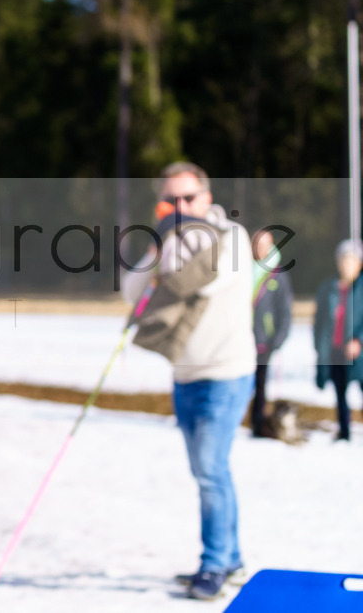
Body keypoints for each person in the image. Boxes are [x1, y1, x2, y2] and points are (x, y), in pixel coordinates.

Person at [121, 162, 255, 601]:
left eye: (188, 199)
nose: (180, 207)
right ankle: (230, 558)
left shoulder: (230, 239)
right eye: (170, 201)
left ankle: (214, 564)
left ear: (207, 199)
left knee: (210, 470)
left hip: (226, 374)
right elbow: (131, 290)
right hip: (185, 373)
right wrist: (160, 247)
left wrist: (175, 244)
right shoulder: (169, 243)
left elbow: (200, 280)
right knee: (208, 471)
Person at [313, 238, 363, 442]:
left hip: (358, 353)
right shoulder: (328, 288)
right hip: (335, 350)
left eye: (351, 260)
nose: (346, 264)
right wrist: (319, 348)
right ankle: (344, 432)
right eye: (343, 260)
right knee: (340, 393)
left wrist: (358, 340)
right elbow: (319, 322)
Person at [249, 229, 294, 438]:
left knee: (261, 383)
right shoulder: (242, 269)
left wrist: (278, 338)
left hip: (264, 340)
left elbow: (285, 310)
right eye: (256, 243)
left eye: (264, 243)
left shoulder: (278, 274)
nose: (260, 248)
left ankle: (258, 424)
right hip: (242, 337)